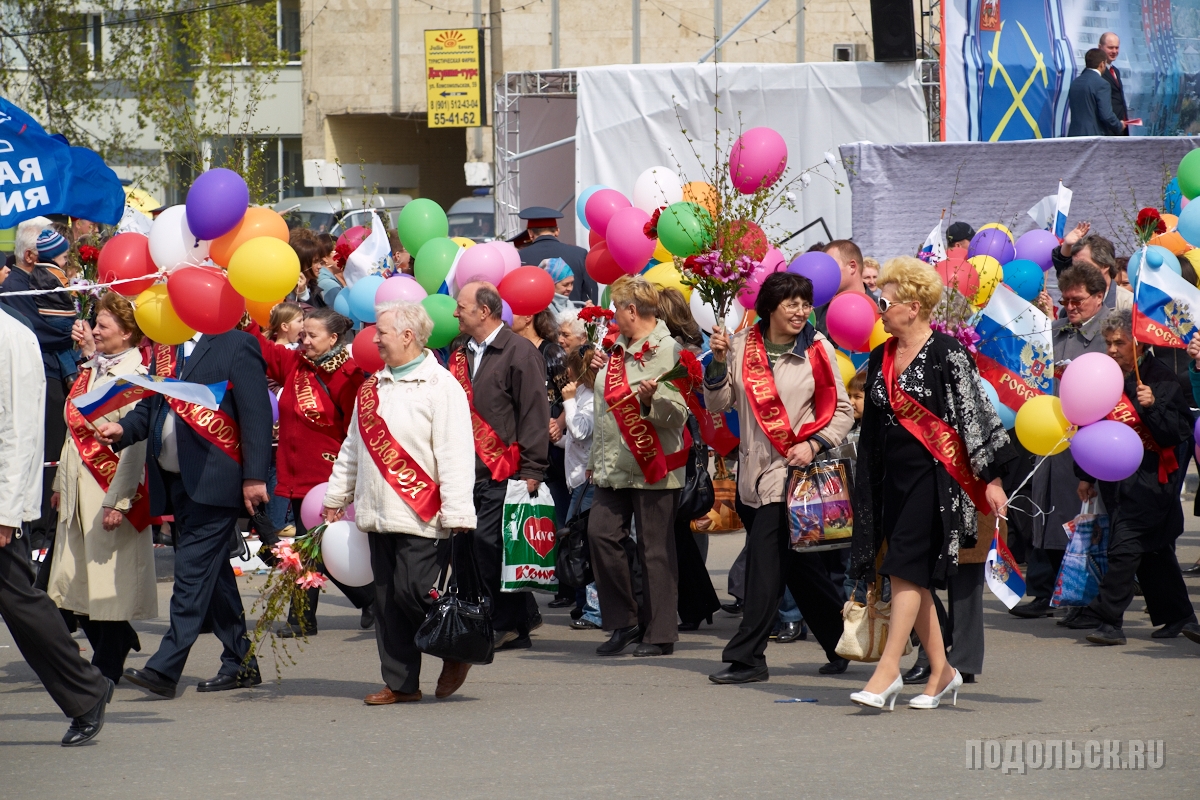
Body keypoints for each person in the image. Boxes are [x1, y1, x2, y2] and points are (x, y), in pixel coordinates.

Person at [848, 258, 1014, 710]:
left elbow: (976, 415)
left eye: (885, 301)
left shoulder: (947, 352)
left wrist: (992, 478)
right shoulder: (881, 355)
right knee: (912, 576)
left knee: (904, 566)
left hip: (936, 478)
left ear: (914, 306)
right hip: (893, 480)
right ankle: (942, 671)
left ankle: (887, 673)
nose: (878, 309)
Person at [95, 323, 274, 698]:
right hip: (177, 482)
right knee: (214, 576)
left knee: (191, 574)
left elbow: (256, 414)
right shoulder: (167, 346)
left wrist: (254, 476)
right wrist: (123, 429)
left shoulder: (236, 344)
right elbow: (153, 405)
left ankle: (165, 668)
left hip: (216, 479)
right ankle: (241, 663)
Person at [323, 301, 479, 704]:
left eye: (382, 333)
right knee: (387, 602)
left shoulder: (441, 386)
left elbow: (456, 452)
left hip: (422, 514)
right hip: (377, 513)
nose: (374, 339)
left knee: (414, 591)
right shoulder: (372, 387)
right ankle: (401, 684)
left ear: (408, 336)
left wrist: (459, 511)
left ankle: (454, 649)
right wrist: (336, 496)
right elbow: (353, 448)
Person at [704, 273, 855, 683]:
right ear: (770, 306)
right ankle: (842, 641)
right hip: (750, 476)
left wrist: (814, 444)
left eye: (805, 304)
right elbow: (718, 402)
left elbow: (843, 411)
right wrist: (716, 363)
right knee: (798, 570)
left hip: (794, 474)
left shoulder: (818, 349)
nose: (800, 311)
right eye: (791, 303)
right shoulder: (740, 346)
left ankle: (748, 656)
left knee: (764, 566)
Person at [0, 305, 114, 747]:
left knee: (18, 599)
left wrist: (7, 510)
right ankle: (86, 689)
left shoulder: (11, 335)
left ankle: (85, 690)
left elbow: (19, 428)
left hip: (2, 497)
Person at [47, 294, 157, 684]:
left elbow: (135, 447)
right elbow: (71, 432)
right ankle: (118, 640)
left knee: (109, 584)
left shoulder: (137, 373)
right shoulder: (91, 369)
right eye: (96, 323)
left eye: (104, 325)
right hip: (79, 490)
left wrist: (120, 500)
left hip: (107, 489)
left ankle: (108, 664)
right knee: (74, 583)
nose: (95, 330)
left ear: (127, 333)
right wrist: (61, 483)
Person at [1072, 311, 1199, 645]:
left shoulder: (1161, 378)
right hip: (1116, 480)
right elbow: (1091, 425)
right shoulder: (1104, 376)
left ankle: (1107, 619)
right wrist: (1086, 474)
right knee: (1155, 552)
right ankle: (1180, 616)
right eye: (1109, 342)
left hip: (1152, 481)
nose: (1112, 349)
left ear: (1138, 343)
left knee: (1125, 546)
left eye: (1120, 342)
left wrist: (1154, 404)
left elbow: (1178, 433)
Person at [251, 307, 373, 636]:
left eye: (312, 336)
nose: (303, 341)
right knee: (316, 549)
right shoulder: (295, 365)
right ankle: (371, 600)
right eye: (302, 334)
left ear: (334, 339)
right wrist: (238, 314)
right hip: (293, 478)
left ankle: (302, 619)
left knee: (311, 550)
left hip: (326, 479)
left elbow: (357, 431)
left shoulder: (349, 375)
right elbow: (261, 347)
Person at [588, 275, 689, 657]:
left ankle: (661, 632)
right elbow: (602, 402)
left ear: (633, 310)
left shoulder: (669, 350)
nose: (614, 315)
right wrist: (591, 366)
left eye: (617, 309)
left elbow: (678, 413)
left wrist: (652, 401)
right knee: (600, 535)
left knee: (655, 551)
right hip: (613, 464)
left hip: (653, 464)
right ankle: (624, 621)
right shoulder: (615, 346)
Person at [451, 281, 551, 650]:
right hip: (466, 468)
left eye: (461, 306)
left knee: (490, 545)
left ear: (484, 311)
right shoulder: (460, 350)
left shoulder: (519, 351)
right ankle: (520, 617)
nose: (455, 313)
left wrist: (532, 469)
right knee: (474, 547)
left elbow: (534, 414)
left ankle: (506, 622)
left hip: (503, 468)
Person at [1015, 265, 1112, 621]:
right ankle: (1043, 591)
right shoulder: (1051, 333)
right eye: (1066, 300)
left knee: (1082, 519)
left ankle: (1084, 597)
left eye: (1078, 300)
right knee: (1043, 513)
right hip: (1047, 434)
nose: (1070, 307)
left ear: (1099, 297)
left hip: (1087, 440)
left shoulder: (1107, 338)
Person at [0, 219, 80, 557]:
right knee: (38, 448)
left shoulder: (34, 281)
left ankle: (40, 528)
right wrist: (69, 332)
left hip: (47, 376)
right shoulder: (16, 288)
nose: (64, 266)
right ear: (33, 256)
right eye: (60, 259)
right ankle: (34, 530)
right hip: (36, 380)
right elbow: (33, 329)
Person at [656, 286, 720, 631]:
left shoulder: (678, 353)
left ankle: (695, 604)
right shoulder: (694, 349)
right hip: (688, 444)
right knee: (678, 529)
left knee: (674, 528)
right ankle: (699, 603)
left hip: (678, 446)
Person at [512, 307, 572, 608]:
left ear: (528, 316)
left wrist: (558, 424)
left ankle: (568, 582)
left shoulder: (551, 352)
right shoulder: (511, 349)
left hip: (552, 442)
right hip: (524, 440)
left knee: (559, 510)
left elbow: (569, 392)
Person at [516, 206, 597, 304]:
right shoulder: (579, 254)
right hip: (574, 317)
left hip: (536, 318)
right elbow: (590, 292)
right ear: (557, 231)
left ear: (530, 233)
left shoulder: (520, 257)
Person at [1051, 223, 1133, 312]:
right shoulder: (1070, 308)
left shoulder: (1128, 304)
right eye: (1075, 266)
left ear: (1105, 265)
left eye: (1084, 266)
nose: (1077, 272)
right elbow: (1063, 269)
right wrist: (1067, 245)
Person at [1067, 48, 1125, 137]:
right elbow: (1107, 115)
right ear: (1102, 64)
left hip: (1073, 135)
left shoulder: (1075, 82)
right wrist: (1119, 125)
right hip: (1093, 138)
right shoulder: (1102, 84)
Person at [1099, 33, 1129, 135]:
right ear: (1100, 47)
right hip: (1107, 131)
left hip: (1120, 129)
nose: (1114, 51)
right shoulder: (1097, 73)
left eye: (1117, 48)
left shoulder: (1115, 71)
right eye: (1110, 48)